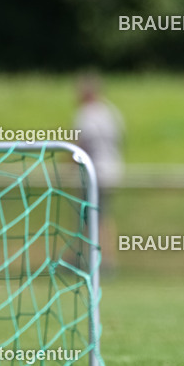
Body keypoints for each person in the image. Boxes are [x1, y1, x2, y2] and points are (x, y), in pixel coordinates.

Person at [74, 74, 125, 272]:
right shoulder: (110, 112)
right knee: (104, 216)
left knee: (91, 217)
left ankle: (95, 260)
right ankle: (107, 260)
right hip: (112, 171)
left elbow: (80, 145)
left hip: (94, 173)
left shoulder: (86, 114)